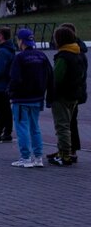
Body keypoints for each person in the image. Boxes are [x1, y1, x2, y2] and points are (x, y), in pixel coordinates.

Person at [8, 28, 53, 168]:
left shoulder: (20, 57)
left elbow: (15, 78)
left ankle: (26, 158)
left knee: (22, 127)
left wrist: (11, 93)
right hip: (37, 98)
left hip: (21, 99)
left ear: (21, 41)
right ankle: (38, 158)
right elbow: (50, 77)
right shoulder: (42, 56)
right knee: (35, 127)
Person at [49, 25, 87, 167]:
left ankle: (65, 154)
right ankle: (64, 151)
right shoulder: (78, 53)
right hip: (75, 94)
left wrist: (50, 90)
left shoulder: (63, 56)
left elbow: (56, 78)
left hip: (62, 96)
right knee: (68, 123)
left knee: (62, 126)